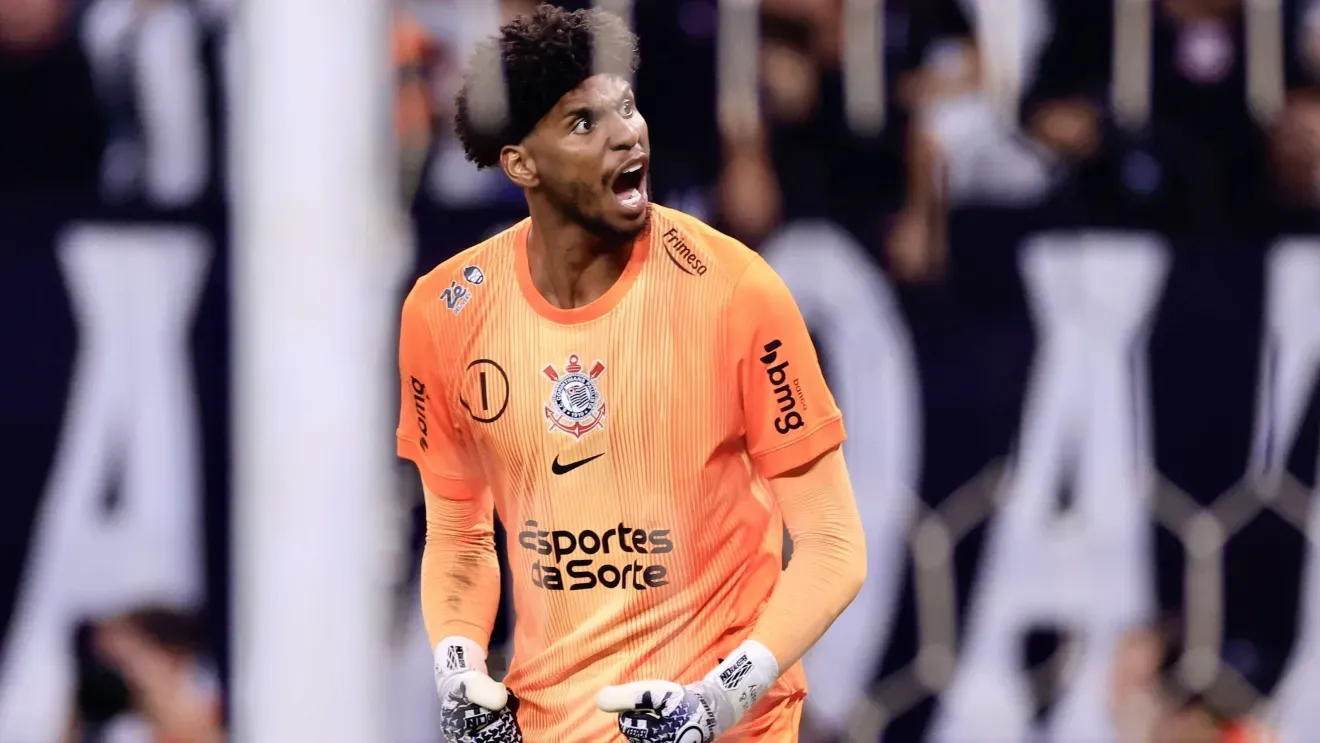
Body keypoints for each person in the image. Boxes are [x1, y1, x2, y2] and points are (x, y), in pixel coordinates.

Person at [395, 5, 867, 742]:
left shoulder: (736, 291)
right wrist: (460, 675)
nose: (625, 135)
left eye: (626, 108)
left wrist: (716, 700)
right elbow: (459, 537)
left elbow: (834, 544)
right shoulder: (447, 310)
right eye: (584, 123)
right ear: (521, 164)